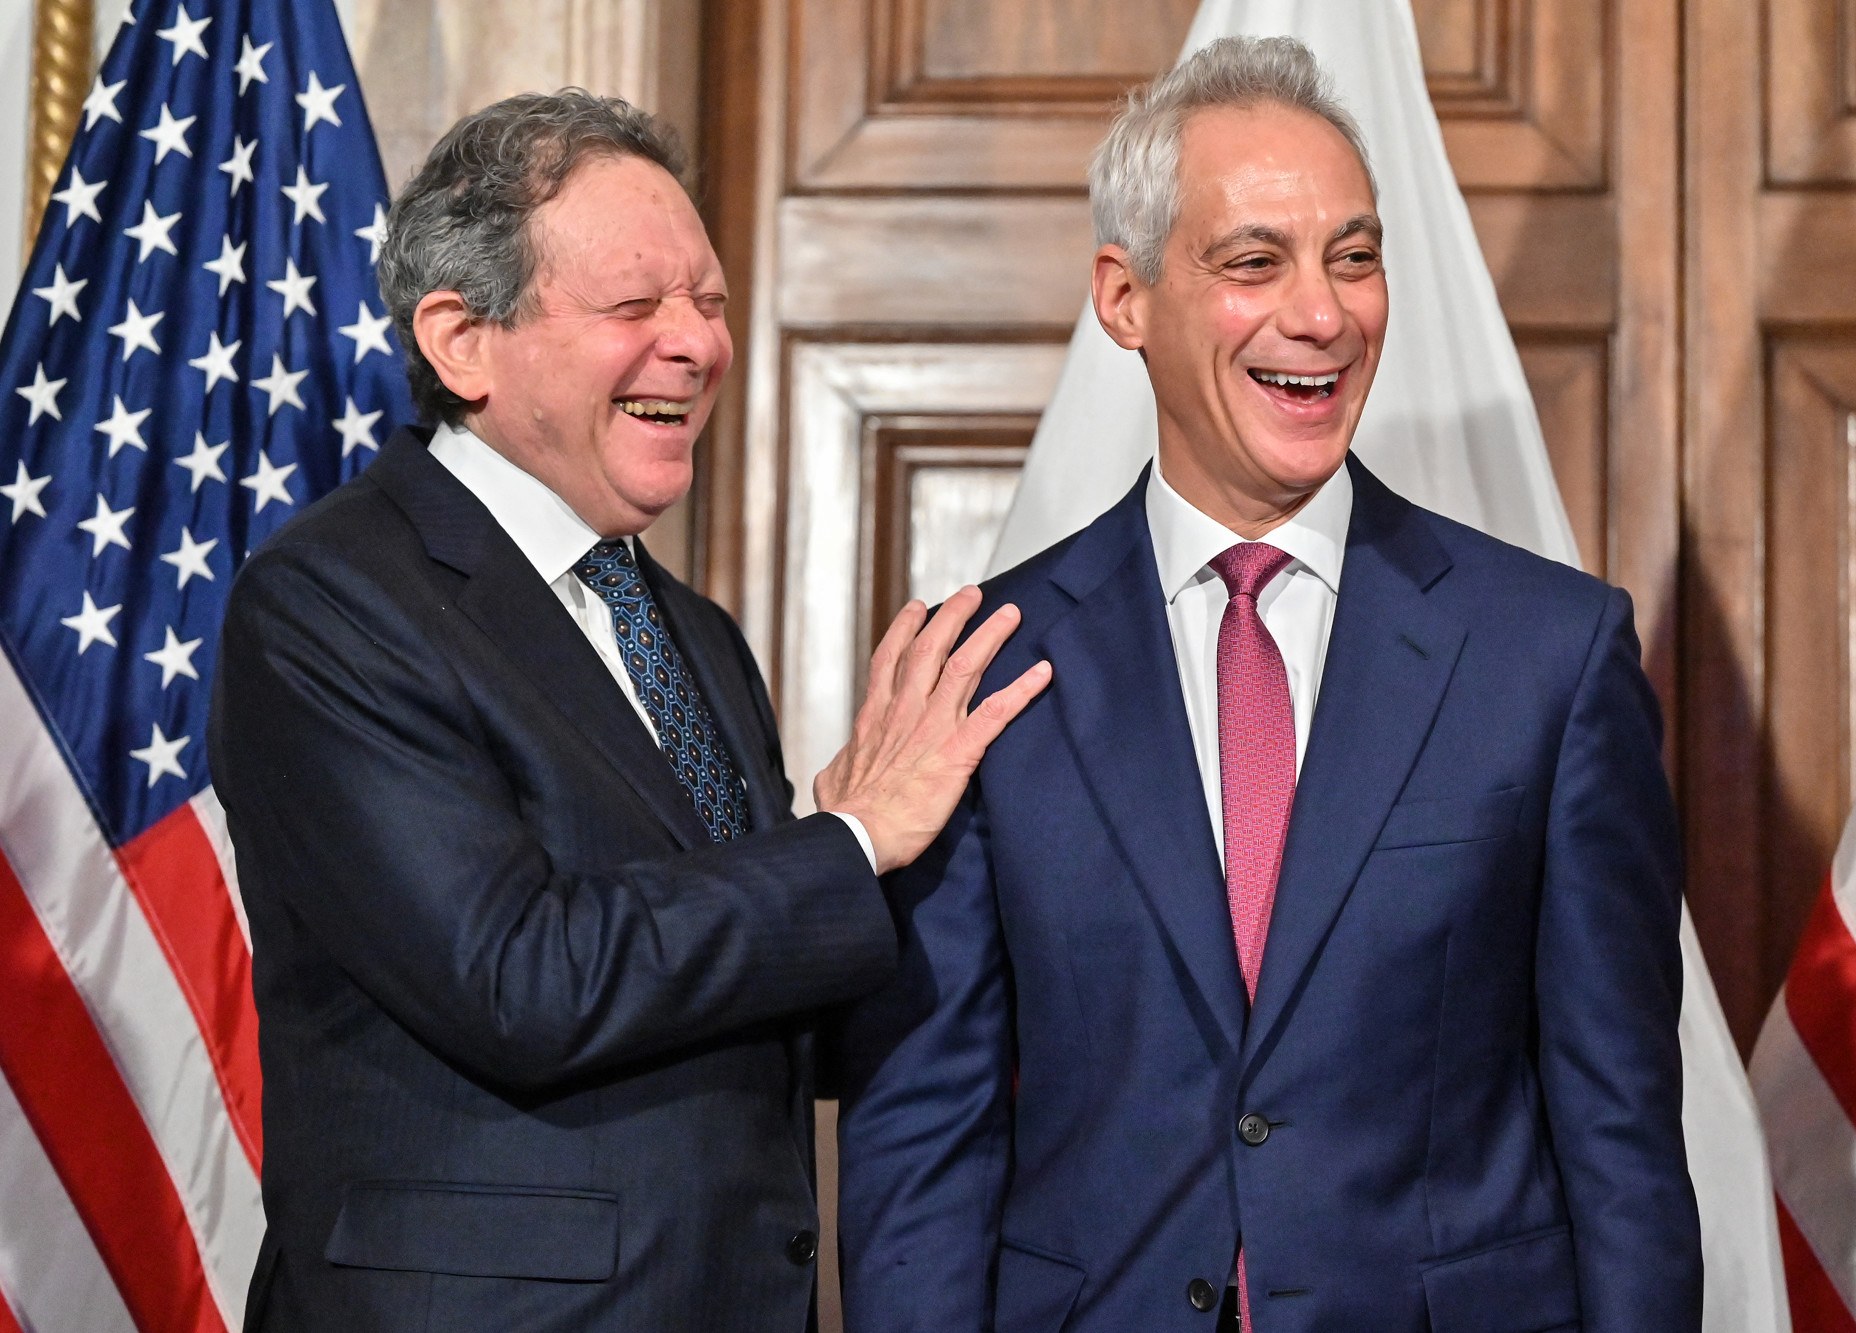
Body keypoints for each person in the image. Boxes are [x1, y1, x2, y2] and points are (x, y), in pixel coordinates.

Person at [835, 37, 1700, 1333]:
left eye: (1354, 258)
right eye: (1256, 263)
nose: (1323, 314)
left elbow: (1620, 1131)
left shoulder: (1551, 658)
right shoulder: (988, 665)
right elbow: (923, 1135)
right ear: (1123, 299)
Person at [208, 90, 1048, 1331]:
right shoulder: (332, 603)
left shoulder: (690, 634)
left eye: (706, 302)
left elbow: (748, 1005)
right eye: (634, 305)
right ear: (460, 340)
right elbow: (521, 978)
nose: (698, 343)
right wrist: (850, 842)